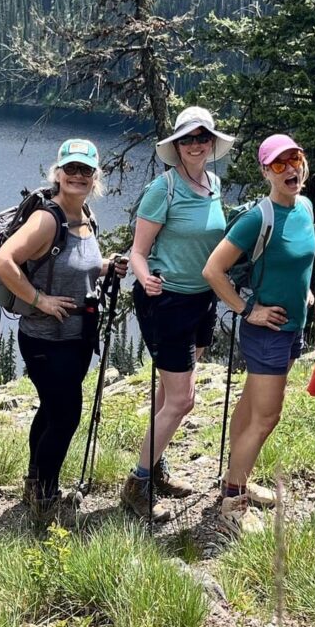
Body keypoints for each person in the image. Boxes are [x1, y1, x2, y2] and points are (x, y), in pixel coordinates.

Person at [0, 139, 125, 529]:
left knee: (53, 410)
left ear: (95, 177)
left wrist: (105, 266)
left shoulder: (86, 216)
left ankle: (35, 483)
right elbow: (5, 262)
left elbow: (74, 266)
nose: (78, 176)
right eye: (71, 169)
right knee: (66, 416)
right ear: (58, 173)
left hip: (76, 337)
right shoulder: (47, 218)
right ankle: (46, 497)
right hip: (45, 339)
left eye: (86, 170)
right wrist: (40, 300)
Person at [202, 134, 315, 541]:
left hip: (291, 327)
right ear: (265, 171)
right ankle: (233, 503)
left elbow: (297, 260)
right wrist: (248, 309)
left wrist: (303, 290)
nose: (290, 170)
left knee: (252, 405)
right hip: (266, 331)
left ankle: (238, 477)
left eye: (295, 160)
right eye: (279, 164)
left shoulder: (304, 207)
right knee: (267, 416)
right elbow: (213, 271)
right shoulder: (258, 217)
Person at [123, 106, 233, 522]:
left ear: (211, 143)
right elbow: (138, 251)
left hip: (203, 299)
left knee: (171, 394)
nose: (196, 145)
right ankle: (137, 482)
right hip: (166, 300)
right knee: (183, 399)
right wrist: (146, 277)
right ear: (177, 146)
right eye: (188, 139)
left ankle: (157, 464)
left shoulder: (214, 183)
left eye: (203, 137)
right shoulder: (163, 188)